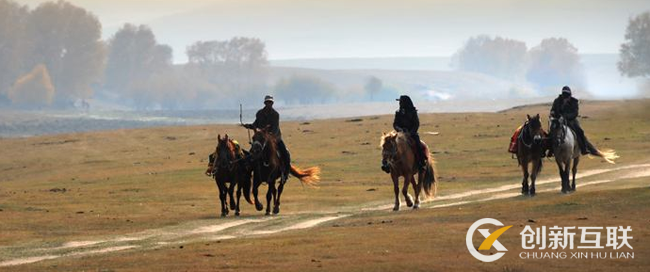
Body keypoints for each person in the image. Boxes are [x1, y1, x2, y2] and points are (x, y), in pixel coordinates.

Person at [243, 95, 291, 180]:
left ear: (272, 103)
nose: (269, 104)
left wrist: (268, 136)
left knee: (286, 154)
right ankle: (248, 173)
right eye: (267, 102)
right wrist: (249, 126)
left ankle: (285, 174)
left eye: (270, 102)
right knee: (251, 154)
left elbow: (275, 129)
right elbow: (256, 124)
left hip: (275, 138)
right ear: (265, 103)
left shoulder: (276, 115)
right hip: (261, 139)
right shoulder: (259, 113)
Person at [382, 95, 427, 173]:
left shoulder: (413, 112)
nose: (400, 103)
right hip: (400, 134)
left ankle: (421, 163)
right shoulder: (398, 112)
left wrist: (410, 133)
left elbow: (416, 124)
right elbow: (395, 124)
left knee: (418, 145)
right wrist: (399, 130)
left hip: (411, 134)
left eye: (401, 102)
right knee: (390, 146)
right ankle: (387, 164)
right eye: (400, 102)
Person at [549, 86, 595, 155]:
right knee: (552, 130)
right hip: (558, 120)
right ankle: (551, 149)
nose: (565, 97)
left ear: (570, 95)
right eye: (564, 95)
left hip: (571, 120)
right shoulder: (557, 101)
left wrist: (565, 117)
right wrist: (552, 112)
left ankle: (584, 148)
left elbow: (575, 113)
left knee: (580, 131)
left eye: (567, 95)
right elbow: (553, 109)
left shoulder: (574, 102)